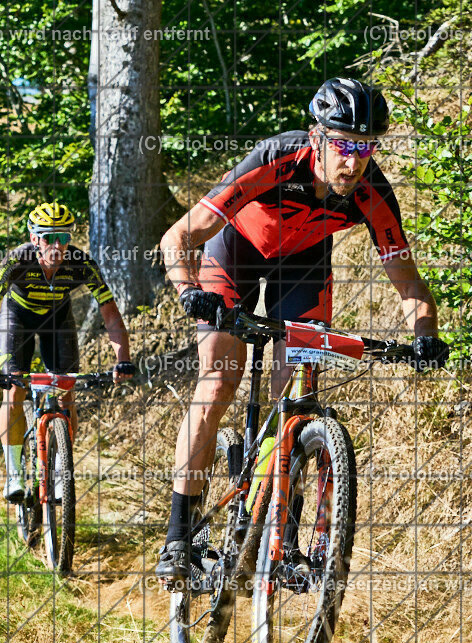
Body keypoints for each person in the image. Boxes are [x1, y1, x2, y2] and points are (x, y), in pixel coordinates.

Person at [154, 77, 451, 582]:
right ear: (318, 137)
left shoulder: (371, 191)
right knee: (219, 380)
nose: (353, 161)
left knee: (295, 395)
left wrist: (425, 335)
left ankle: (283, 542)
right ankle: (178, 536)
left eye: (365, 147)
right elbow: (178, 235)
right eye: (343, 145)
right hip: (236, 252)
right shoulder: (275, 158)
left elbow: (408, 282)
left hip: (304, 266)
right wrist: (187, 290)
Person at [0, 201, 135, 503]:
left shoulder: (80, 263)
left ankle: (61, 470)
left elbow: (110, 313)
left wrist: (123, 359)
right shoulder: (17, 261)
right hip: (17, 318)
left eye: (64, 237)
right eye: (49, 237)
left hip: (58, 320)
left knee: (66, 389)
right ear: (35, 239)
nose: (57, 245)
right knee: (14, 389)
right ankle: (14, 472)